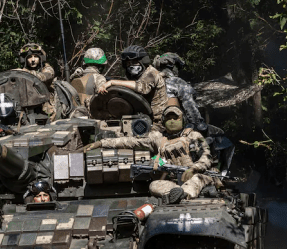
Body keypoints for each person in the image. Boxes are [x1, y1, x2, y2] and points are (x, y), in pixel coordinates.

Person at [82, 108, 218, 204]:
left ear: (183, 120)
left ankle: (184, 194)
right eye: (168, 118)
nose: (172, 121)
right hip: (174, 182)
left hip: (197, 175)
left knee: (197, 180)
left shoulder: (194, 136)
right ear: (163, 121)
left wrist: (194, 169)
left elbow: (207, 156)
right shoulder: (157, 137)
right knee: (154, 185)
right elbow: (131, 142)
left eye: (175, 118)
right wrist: (101, 143)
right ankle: (179, 194)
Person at [96, 45, 167, 127]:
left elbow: (141, 88)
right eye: (128, 63)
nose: (131, 65)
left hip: (157, 124)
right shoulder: (137, 77)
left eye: (134, 62)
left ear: (143, 61)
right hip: (141, 121)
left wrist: (112, 82)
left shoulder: (151, 72)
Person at [152, 52, 205, 127]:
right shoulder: (175, 81)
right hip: (173, 125)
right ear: (173, 67)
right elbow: (189, 104)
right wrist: (197, 124)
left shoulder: (148, 82)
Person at [15, 43, 56, 116]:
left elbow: (43, 77)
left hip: (47, 105)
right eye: (30, 57)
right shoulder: (22, 71)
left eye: (35, 57)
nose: (33, 60)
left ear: (40, 58)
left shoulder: (47, 68)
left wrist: (24, 73)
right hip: (27, 106)